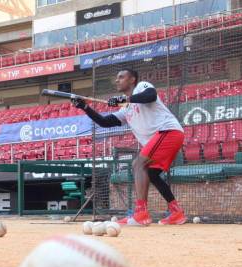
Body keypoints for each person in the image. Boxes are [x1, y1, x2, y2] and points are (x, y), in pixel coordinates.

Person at [71, 69, 186, 225]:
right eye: (117, 78)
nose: (117, 80)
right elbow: (104, 122)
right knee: (151, 173)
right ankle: (176, 212)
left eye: (121, 77)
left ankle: (141, 214)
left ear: (132, 79)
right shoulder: (125, 109)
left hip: (168, 132)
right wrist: (85, 108)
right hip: (163, 138)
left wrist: (125, 99)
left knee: (138, 164)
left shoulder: (142, 87)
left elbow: (150, 96)